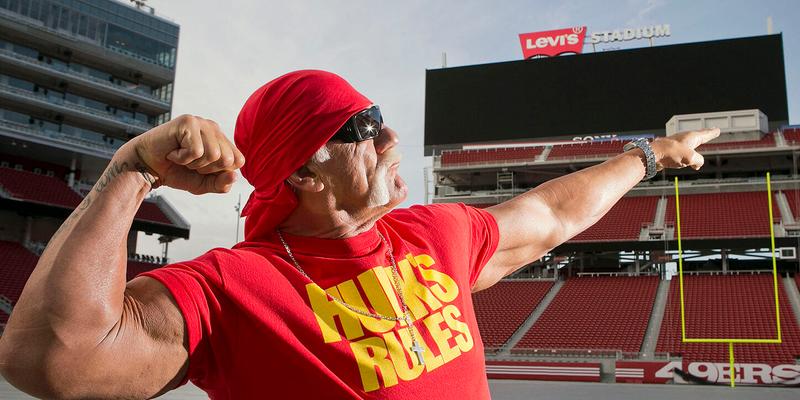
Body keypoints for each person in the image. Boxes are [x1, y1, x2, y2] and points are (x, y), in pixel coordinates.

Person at [0, 70, 718, 399]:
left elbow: (553, 213)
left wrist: (649, 156)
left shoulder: (433, 233)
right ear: (306, 174)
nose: (391, 134)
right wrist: (132, 171)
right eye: (363, 126)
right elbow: (51, 362)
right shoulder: (232, 288)